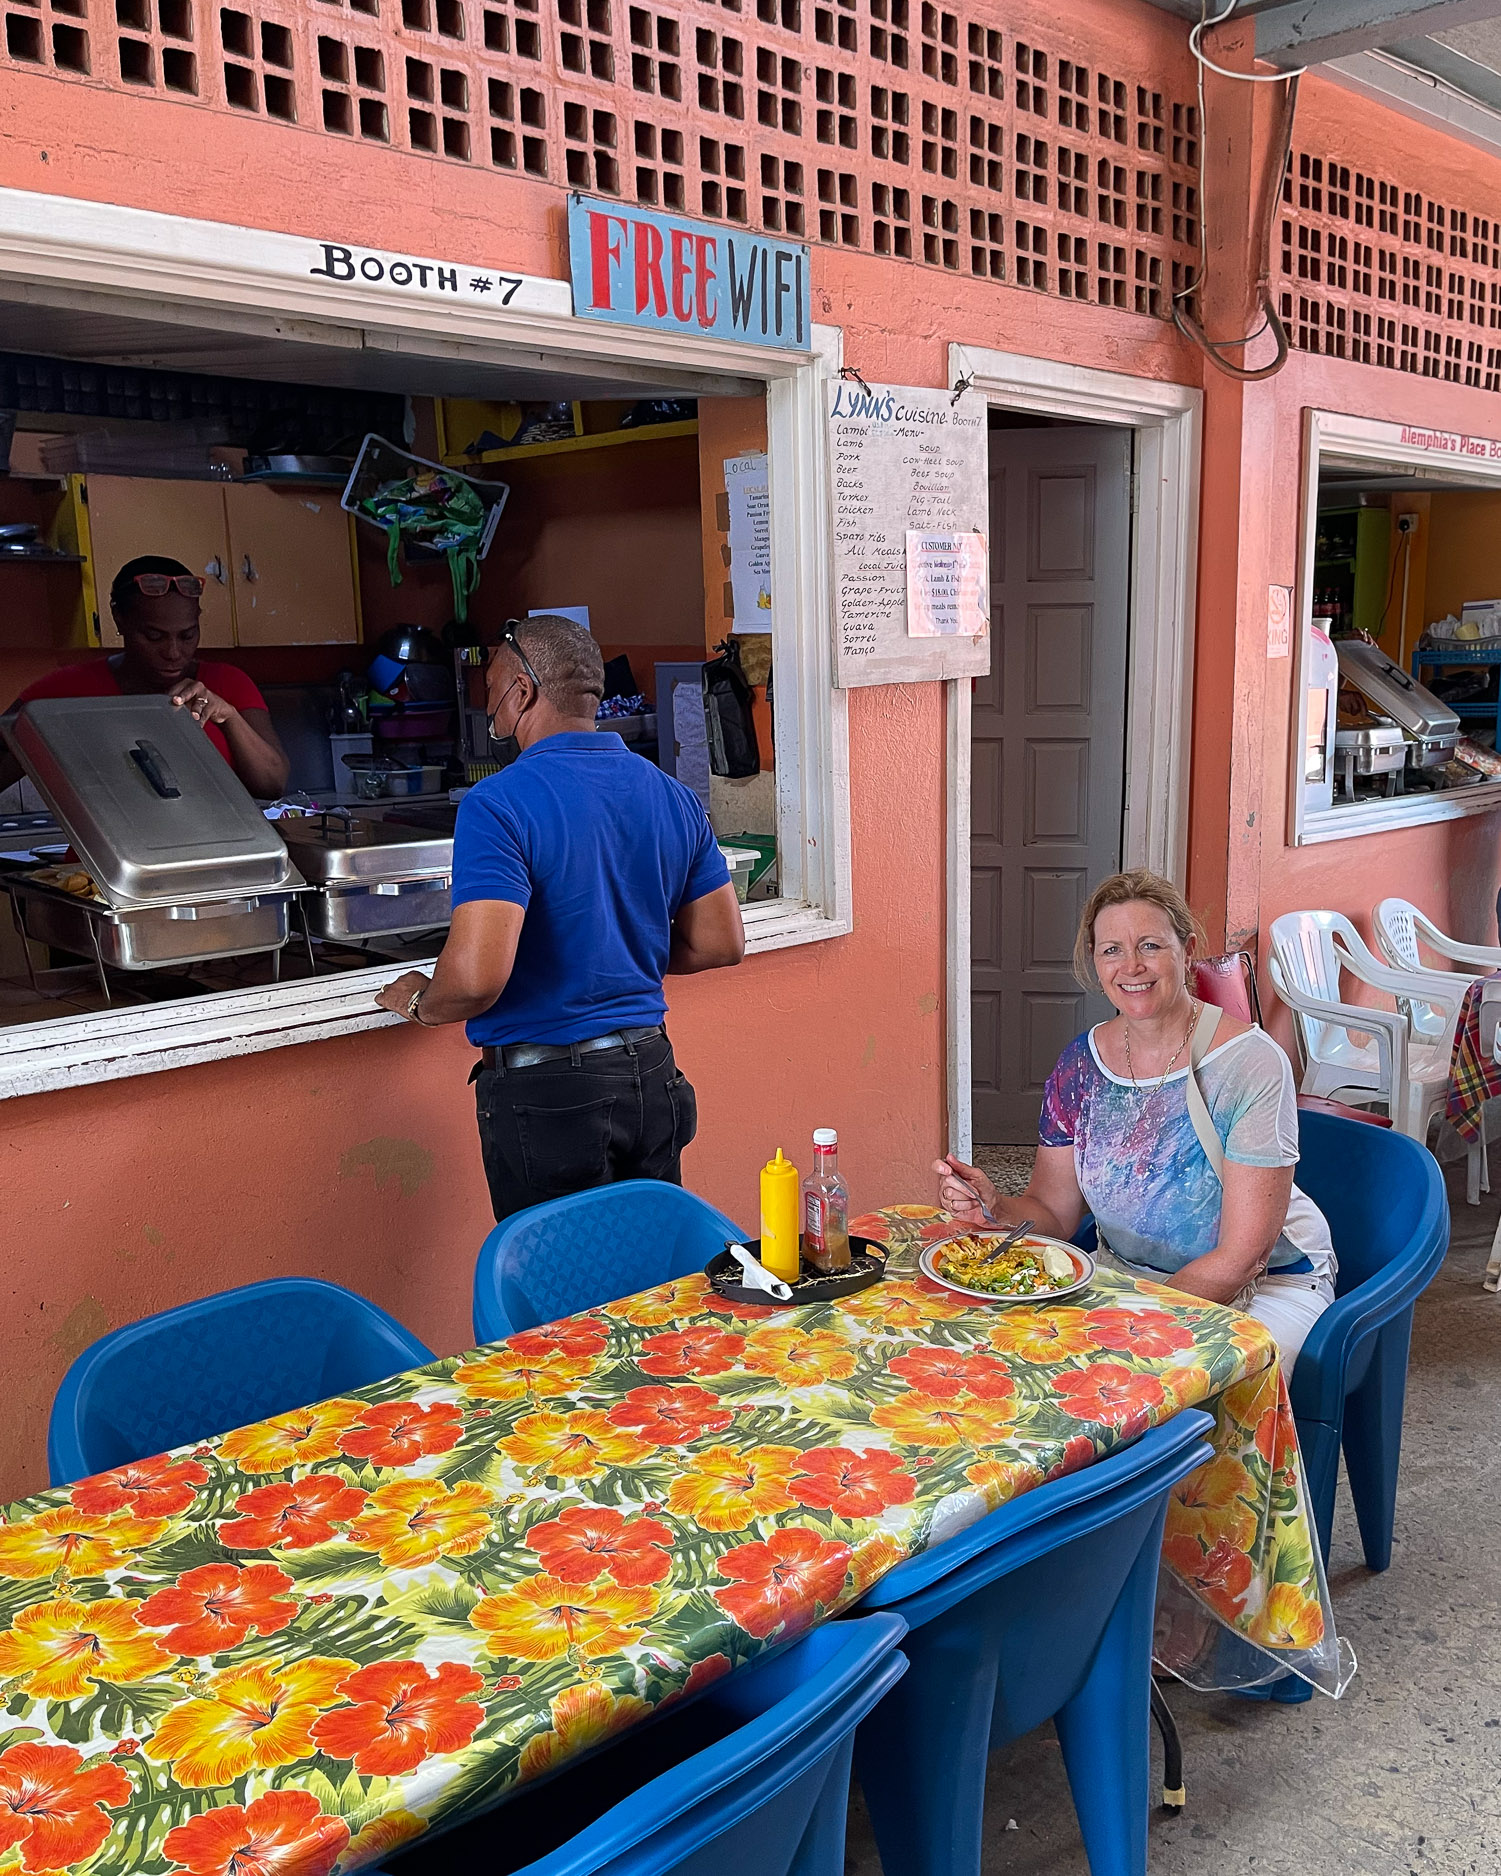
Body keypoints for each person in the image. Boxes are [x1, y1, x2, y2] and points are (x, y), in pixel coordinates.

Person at [376, 614, 746, 1219]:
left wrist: (423, 1002)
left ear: (522, 691)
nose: (488, 708)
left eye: (491, 690)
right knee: (649, 1285)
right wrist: (618, 948)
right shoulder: (670, 793)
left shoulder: (497, 804)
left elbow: (473, 981)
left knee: (565, 1306)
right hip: (652, 1075)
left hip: (551, 1099)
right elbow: (718, 942)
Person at [935, 869, 1336, 1371]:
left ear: (1187, 952)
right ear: (1095, 963)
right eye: (1111, 951)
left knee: (1161, 1387)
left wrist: (1131, 1328)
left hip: (1269, 1286)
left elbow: (1243, 1257)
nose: (1132, 967)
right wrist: (995, 1207)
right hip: (1123, 1278)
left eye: (1150, 945)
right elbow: (1055, 1215)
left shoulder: (1249, 1063)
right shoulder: (1080, 1065)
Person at [0, 555, 288, 798]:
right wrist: (38, 743)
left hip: (211, 859)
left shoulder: (228, 683)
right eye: (154, 636)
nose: (174, 652)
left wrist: (229, 718)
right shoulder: (68, 689)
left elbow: (273, 783)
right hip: (97, 865)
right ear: (119, 620)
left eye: (187, 635)